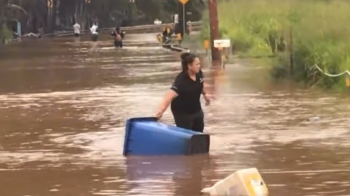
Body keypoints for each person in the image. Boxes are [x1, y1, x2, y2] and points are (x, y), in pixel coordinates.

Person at [155, 52, 211, 133]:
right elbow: (169, 96)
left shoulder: (198, 73)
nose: (199, 66)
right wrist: (161, 111)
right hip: (182, 113)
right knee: (186, 135)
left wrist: (205, 94)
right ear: (189, 66)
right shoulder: (181, 80)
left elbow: (200, 83)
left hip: (196, 109)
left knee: (199, 134)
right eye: (197, 64)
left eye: (199, 64)